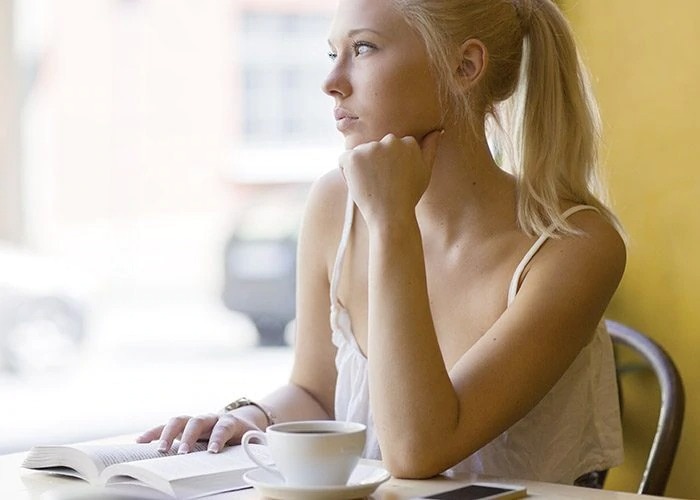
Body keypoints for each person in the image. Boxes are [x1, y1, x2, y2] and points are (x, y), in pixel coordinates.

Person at [138, 0, 625, 484]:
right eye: (333, 54)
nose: (331, 83)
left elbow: (417, 452)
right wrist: (251, 417)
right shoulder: (334, 203)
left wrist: (392, 221)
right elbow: (316, 391)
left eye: (363, 48)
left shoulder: (577, 246)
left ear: (465, 66)